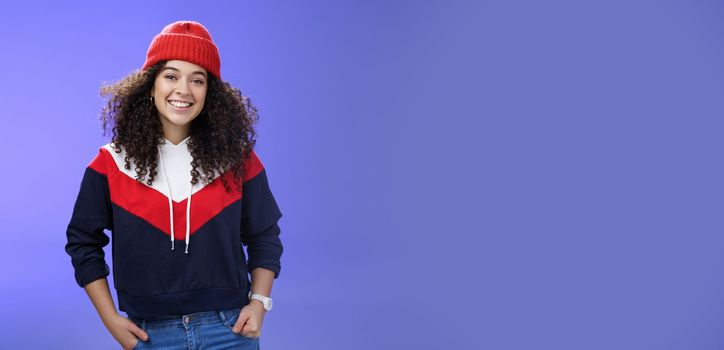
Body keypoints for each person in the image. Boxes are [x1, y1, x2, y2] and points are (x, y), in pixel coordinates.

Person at [64, 20, 283, 350]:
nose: (184, 89)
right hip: (150, 336)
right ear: (150, 86)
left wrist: (259, 302)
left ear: (210, 93)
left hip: (229, 330)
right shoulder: (110, 165)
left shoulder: (238, 161)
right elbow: (82, 242)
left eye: (197, 80)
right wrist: (110, 318)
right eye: (171, 76)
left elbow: (264, 234)